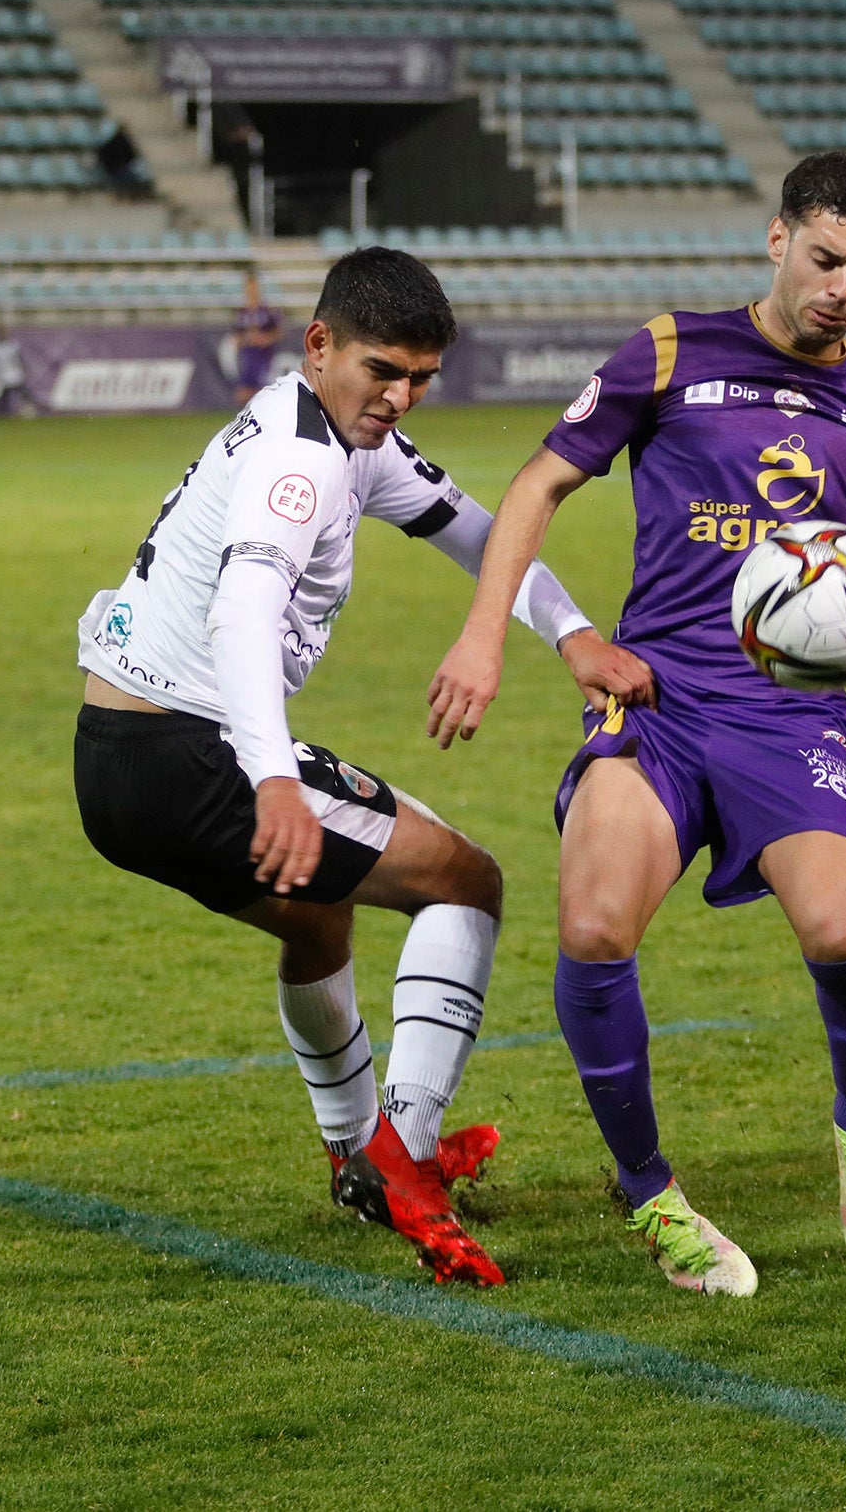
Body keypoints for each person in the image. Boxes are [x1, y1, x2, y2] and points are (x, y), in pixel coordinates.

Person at [427, 152, 846, 1296]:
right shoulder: (669, 350)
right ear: (776, 239)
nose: (844, 285)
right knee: (595, 926)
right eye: (826, 257)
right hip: (653, 703)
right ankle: (651, 1195)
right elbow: (537, 487)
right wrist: (486, 634)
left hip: (788, 716)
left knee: (844, 930)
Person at [74, 246, 630, 1286]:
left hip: (115, 760)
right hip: (192, 746)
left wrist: (571, 635)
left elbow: (477, 531)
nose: (400, 395)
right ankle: (403, 1159)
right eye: (383, 369)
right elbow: (243, 608)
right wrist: (273, 777)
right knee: (465, 879)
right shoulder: (302, 460)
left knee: (317, 916)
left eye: (421, 376)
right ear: (318, 344)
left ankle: (353, 1155)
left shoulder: (345, 433)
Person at [233, 272, 285, 406]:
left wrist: (266, 339)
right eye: (249, 287)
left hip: (264, 357)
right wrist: (247, 339)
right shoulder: (242, 312)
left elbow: (278, 332)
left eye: (253, 287)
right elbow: (237, 337)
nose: (251, 290)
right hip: (248, 356)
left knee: (262, 391)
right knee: (243, 394)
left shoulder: (267, 311)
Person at [0, 322, 37, 417]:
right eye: (1, 332)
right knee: (2, 398)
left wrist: (24, 369)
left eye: (5, 331)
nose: (3, 334)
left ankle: (29, 410)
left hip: (15, 374)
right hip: (1, 377)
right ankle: (2, 414)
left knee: (25, 393)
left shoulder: (13, 346)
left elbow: (19, 360)